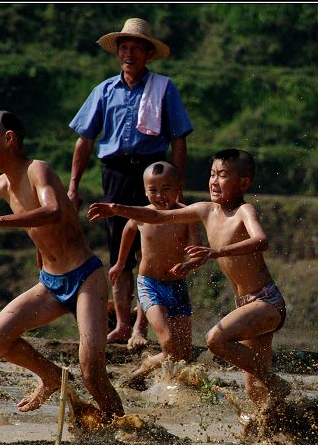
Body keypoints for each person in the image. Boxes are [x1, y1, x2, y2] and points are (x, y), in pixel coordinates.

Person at [87, 149, 292, 425]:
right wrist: (116, 208)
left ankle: (277, 383)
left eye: (222, 175)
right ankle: (282, 425)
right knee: (254, 389)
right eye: (212, 174)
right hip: (246, 305)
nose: (214, 181)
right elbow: (157, 217)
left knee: (215, 340)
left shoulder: (244, 210)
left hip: (266, 302)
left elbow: (261, 240)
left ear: (243, 183)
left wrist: (216, 252)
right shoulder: (204, 210)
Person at [0, 110, 124, 421]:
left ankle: (121, 427)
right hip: (51, 283)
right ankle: (52, 376)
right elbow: (39, 233)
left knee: (92, 370)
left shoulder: (38, 169)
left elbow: (52, 210)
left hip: (85, 278)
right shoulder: (1, 187)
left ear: (9, 139)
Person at [68, 17, 194, 349]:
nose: (129, 54)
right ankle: (123, 323)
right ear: (117, 53)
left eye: (136, 48)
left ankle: (140, 327)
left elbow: (179, 139)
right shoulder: (104, 90)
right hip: (116, 173)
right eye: (124, 47)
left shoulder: (164, 88)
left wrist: (176, 184)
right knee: (118, 251)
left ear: (147, 54)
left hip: (153, 174)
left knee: (150, 250)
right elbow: (85, 140)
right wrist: (73, 185)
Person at [111, 161, 204, 389]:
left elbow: (197, 251)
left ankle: (148, 369)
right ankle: (155, 378)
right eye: (153, 190)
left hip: (177, 286)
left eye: (166, 189)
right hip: (150, 285)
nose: (160, 195)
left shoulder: (186, 216)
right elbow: (128, 229)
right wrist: (120, 263)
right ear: (145, 190)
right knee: (170, 342)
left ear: (179, 187)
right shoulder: (143, 215)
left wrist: (189, 265)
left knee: (183, 354)